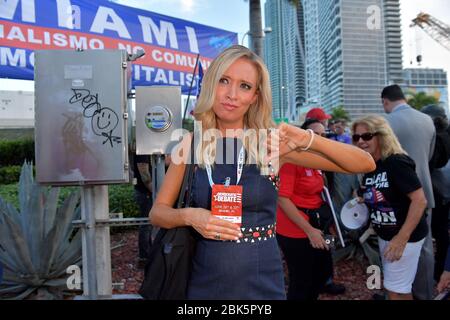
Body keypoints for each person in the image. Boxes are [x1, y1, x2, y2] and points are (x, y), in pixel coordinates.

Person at [149, 45, 375, 300]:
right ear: (211, 84)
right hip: (204, 280)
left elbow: (364, 163)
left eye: (245, 86)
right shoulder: (191, 143)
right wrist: (190, 216)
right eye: (224, 80)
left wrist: (308, 138)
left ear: (255, 96)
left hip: (262, 280)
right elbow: (158, 213)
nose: (232, 94)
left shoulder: (270, 143)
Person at [353, 115, 428, 300]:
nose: (361, 141)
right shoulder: (372, 165)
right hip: (386, 235)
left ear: (382, 135)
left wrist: (401, 239)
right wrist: (363, 197)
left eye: (367, 136)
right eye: (356, 137)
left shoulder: (396, 162)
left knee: (397, 289)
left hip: (403, 237)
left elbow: (420, 201)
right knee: (396, 287)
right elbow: (381, 192)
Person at [276, 119, 343, 300]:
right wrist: (309, 230)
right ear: (303, 135)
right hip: (295, 229)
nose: (320, 139)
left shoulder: (317, 161)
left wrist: (330, 224)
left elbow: (322, 194)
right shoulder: (292, 159)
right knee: (301, 279)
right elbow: (282, 198)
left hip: (317, 223)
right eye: (315, 134)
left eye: (323, 135)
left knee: (320, 273)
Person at [382, 84, 436, 300]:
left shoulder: (384, 122)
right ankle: (425, 294)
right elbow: (429, 157)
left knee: (390, 245)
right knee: (424, 248)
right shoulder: (427, 120)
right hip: (424, 191)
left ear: (385, 101)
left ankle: (395, 291)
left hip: (392, 196)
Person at [421, 104, 450, 282]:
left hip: (439, 192)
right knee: (442, 234)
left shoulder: (437, 137)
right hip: (442, 191)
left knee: (439, 233)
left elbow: (434, 163)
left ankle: (440, 270)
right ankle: (442, 268)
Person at [132, 153, 153, 265]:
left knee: (147, 225)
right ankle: (144, 257)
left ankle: (147, 254)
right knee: (146, 225)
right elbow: (144, 173)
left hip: (145, 192)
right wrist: (155, 191)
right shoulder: (142, 150)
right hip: (145, 192)